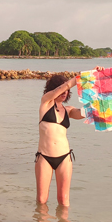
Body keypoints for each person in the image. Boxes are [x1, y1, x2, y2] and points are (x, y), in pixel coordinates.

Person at [35, 73, 84, 207]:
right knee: (41, 200)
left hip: (64, 158)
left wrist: (95, 76)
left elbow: (84, 113)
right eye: (62, 89)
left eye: (67, 90)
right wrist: (80, 78)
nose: (65, 92)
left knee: (63, 200)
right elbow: (60, 89)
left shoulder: (69, 110)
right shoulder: (45, 103)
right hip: (44, 157)